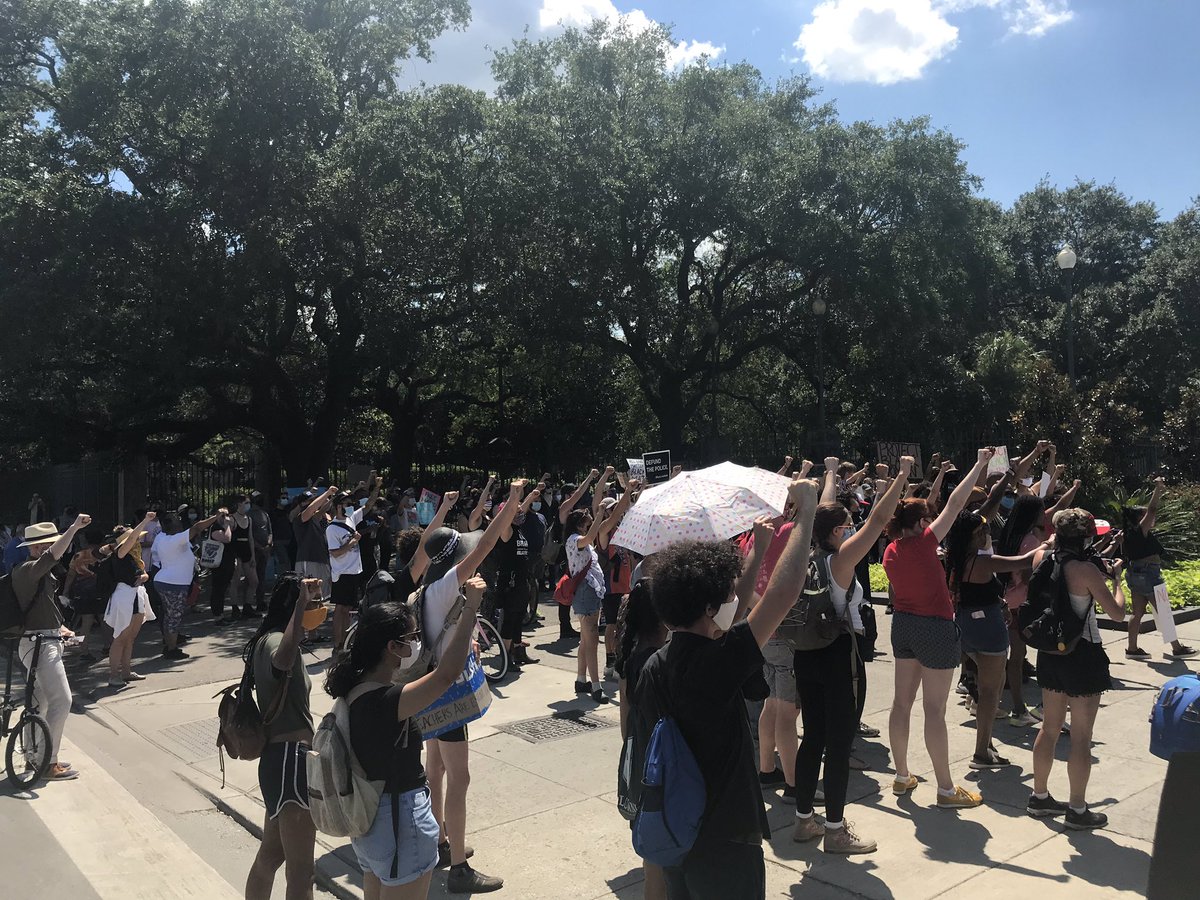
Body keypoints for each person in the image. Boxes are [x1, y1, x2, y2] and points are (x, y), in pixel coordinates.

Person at [633, 474, 818, 900]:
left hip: (677, 835)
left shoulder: (655, 664)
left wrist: (758, 550)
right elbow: (784, 592)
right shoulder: (718, 661)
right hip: (726, 840)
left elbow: (731, 614)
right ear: (710, 609)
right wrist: (805, 514)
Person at [324, 577, 488, 898]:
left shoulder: (357, 689)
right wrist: (471, 608)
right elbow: (446, 674)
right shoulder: (388, 701)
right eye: (412, 637)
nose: (416, 643)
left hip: (371, 826)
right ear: (391, 647)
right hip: (399, 825)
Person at [792, 456, 911, 853]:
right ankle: (835, 831)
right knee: (839, 745)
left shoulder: (805, 557)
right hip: (837, 655)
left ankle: (804, 820)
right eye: (845, 526)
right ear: (837, 530)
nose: (850, 530)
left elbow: (822, 510)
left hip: (805, 654)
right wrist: (902, 477)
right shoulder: (841, 561)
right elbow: (879, 521)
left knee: (812, 737)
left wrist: (827, 476)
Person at [420, 479, 528, 894]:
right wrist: (514, 500)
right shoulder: (448, 584)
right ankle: (459, 868)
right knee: (459, 779)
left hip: (431, 689)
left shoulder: (428, 587)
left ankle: (441, 843)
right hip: (450, 693)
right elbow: (483, 546)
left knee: (436, 769)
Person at [883, 448, 993, 810]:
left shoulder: (890, 551)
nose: (932, 522)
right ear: (918, 523)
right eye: (926, 518)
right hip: (935, 628)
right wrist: (978, 463)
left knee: (901, 703)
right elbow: (956, 503)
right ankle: (946, 789)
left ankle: (902, 775)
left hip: (903, 625)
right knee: (934, 710)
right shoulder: (926, 543)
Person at [1028, 510, 1127, 829]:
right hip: (1082, 653)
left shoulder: (1043, 558)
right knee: (1082, 737)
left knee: (1050, 728)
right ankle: (1077, 809)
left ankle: (1039, 796)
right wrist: (1117, 581)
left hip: (1051, 653)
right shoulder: (1086, 570)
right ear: (1085, 537)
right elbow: (1117, 614)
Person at [245, 575, 326, 900]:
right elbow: (283, 661)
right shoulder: (275, 642)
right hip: (291, 765)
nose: (318, 607)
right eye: (313, 602)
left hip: (281, 765)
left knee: (271, 855)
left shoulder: (268, 638)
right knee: (301, 873)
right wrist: (300, 608)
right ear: (294, 606)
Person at [944, 508, 1044, 769]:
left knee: (992, 684)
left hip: (966, 625)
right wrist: (1050, 543)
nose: (987, 534)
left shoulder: (956, 560)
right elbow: (1025, 560)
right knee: (991, 692)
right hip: (988, 628)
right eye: (982, 531)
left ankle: (987, 743)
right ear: (971, 537)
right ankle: (981, 753)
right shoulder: (984, 562)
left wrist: (998, 601)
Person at [10, 514, 92, 781]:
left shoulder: (36, 572)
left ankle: (35, 757)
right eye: (47, 545)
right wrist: (74, 527)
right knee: (62, 700)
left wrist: (61, 628)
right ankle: (48, 762)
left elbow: (44, 608)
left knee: (40, 702)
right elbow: (55, 555)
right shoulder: (28, 569)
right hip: (39, 645)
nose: (53, 549)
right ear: (37, 548)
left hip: (44, 641)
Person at [616, 578, 668, 900]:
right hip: (660, 767)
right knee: (661, 860)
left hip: (638, 759)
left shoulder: (631, 655)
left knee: (652, 854)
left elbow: (625, 724)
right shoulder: (660, 662)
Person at [566, 482, 636, 704]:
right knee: (592, 639)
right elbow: (591, 536)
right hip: (586, 593)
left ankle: (581, 679)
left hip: (590, 591)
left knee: (586, 640)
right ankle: (596, 686)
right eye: (586, 516)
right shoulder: (575, 540)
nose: (590, 516)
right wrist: (598, 515)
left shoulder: (582, 539)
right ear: (580, 523)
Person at [1123, 478, 1196, 660]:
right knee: (1163, 611)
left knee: (1137, 613)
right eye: (1146, 516)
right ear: (1141, 519)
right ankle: (1177, 648)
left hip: (1136, 574)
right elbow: (1153, 509)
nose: (1152, 518)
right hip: (1150, 575)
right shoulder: (1140, 531)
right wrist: (1158, 488)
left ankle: (1132, 649)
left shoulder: (1129, 533)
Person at [152, 509, 220, 659]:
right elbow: (197, 528)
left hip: (165, 581)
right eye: (175, 519)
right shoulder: (176, 539)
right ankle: (171, 649)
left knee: (169, 616)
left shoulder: (162, 538)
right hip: (173, 584)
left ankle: (169, 644)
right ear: (172, 526)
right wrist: (216, 517)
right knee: (173, 617)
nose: (179, 521)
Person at [102, 514, 159, 689]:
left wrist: (144, 576)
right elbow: (131, 539)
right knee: (120, 637)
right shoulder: (120, 553)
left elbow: (142, 575)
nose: (137, 541)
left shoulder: (134, 558)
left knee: (130, 637)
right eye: (133, 538)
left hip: (136, 594)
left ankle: (126, 672)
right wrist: (145, 521)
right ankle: (113, 675)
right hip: (124, 596)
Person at [495, 489, 543, 669]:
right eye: (515, 512)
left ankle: (518, 652)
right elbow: (509, 514)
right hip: (510, 583)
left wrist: (530, 496)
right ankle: (506, 657)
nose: (520, 513)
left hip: (522, 581)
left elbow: (520, 509)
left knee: (518, 619)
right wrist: (513, 499)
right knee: (509, 620)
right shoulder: (506, 531)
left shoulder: (518, 530)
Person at [328, 494, 368, 651]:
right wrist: (352, 542)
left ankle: (345, 641)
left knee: (347, 609)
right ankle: (337, 642)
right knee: (340, 608)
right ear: (339, 506)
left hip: (354, 571)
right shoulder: (332, 528)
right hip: (342, 572)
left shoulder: (351, 519)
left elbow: (368, 505)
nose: (350, 506)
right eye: (347, 504)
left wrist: (375, 488)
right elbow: (335, 553)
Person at [292, 486, 339, 601]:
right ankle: (303, 618)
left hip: (322, 559)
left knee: (321, 596)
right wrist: (328, 492)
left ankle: (316, 619)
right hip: (309, 559)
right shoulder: (302, 517)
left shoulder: (320, 519)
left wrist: (334, 498)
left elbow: (323, 509)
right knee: (310, 596)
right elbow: (312, 508)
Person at [227, 495, 261, 621]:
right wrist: (234, 558)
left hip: (247, 551)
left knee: (254, 581)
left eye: (249, 503)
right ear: (239, 504)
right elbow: (228, 539)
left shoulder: (249, 519)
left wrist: (253, 556)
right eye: (246, 503)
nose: (248, 505)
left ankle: (248, 606)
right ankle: (235, 609)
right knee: (235, 581)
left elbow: (251, 538)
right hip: (236, 552)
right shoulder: (231, 519)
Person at [248, 492, 273, 611]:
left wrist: (268, 544)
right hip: (254, 551)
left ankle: (260, 601)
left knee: (261, 576)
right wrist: (259, 547)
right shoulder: (249, 515)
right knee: (253, 578)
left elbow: (270, 531)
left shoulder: (264, 514)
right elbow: (250, 535)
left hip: (265, 550)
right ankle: (248, 602)